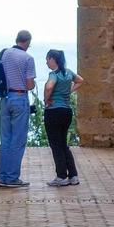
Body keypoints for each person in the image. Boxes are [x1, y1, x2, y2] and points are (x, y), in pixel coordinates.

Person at [0, 30, 36, 188]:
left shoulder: (5, 54)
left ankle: (2, 176)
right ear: (27, 42)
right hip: (19, 98)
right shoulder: (28, 58)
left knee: (5, 139)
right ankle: (12, 178)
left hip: (5, 99)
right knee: (18, 140)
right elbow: (29, 84)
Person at [43, 49, 83, 186]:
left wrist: (46, 99)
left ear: (53, 59)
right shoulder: (68, 73)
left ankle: (61, 176)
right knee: (63, 144)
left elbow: (49, 87)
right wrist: (68, 91)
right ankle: (73, 176)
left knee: (56, 145)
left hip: (53, 112)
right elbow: (80, 80)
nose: (46, 62)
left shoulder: (54, 74)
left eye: (47, 59)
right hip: (66, 111)